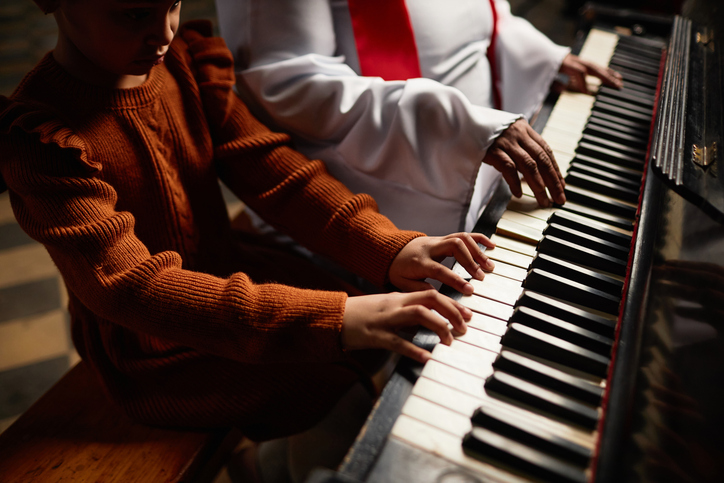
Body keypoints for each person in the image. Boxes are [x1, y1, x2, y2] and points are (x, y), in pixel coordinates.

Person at [0, 0, 497, 448]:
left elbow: (274, 174)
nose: (163, 32)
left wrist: (388, 247)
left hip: (229, 273)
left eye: (171, 4)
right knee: (332, 389)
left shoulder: (181, 64)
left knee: (374, 339)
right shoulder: (42, 138)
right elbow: (131, 288)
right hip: (154, 349)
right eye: (133, 13)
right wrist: (337, 319)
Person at [215, 0, 624, 236]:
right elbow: (286, 85)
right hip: (369, 203)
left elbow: (475, 26)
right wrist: (455, 127)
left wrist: (542, 58)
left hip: (492, 161)